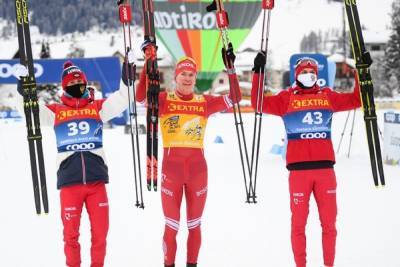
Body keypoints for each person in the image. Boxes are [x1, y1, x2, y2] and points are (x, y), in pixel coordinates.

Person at [14, 53, 135, 267]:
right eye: (73, 82)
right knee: (70, 237)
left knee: (100, 235)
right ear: (64, 86)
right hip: (70, 185)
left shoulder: (96, 108)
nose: (77, 85)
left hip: (97, 183)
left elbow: (122, 99)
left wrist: (127, 80)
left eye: (80, 81)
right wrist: (22, 92)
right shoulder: (56, 112)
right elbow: (29, 112)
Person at [134, 42, 241, 267]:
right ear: (176, 76)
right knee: (171, 226)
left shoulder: (204, 103)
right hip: (170, 173)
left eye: (191, 74)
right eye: (183, 73)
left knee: (194, 225)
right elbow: (141, 99)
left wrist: (230, 69)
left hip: (197, 172)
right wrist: (147, 63)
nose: (188, 78)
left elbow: (235, 97)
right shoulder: (163, 100)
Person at [251, 53, 361, 267]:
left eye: (312, 72)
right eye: (304, 72)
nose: (308, 75)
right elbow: (257, 103)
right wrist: (258, 73)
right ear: (296, 75)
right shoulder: (286, 98)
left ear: (317, 75)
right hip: (298, 174)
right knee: (298, 226)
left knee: (329, 225)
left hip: (325, 172)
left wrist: (361, 72)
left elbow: (357, 99)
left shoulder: (327, 95)